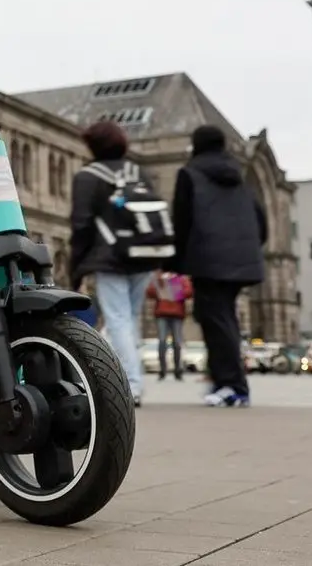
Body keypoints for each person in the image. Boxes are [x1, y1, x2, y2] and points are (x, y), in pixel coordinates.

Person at [170, 124, 267, 408]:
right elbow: (260, 220)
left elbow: (182, 221)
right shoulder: (239, 178)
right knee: (222, 318)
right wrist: (249, 247)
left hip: (208, 258)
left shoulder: (190, 174)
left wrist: (175, 261)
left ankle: (233, 386)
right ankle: (223, 379)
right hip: (240, 258)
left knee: (216, 320)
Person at [69, 119, 162, 407]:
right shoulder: (138, 173)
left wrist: (76, 267)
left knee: (118, 319)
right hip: (144, 255)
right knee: (127, 318)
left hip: (110, 258)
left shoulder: (88, 176)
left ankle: (131, 385)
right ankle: (115, 374)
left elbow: (82, 225)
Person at [146, 270, 192, 381]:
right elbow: (149, 292)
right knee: (162, 341)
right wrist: (159, 285)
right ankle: (163, 370)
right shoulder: (159, 278)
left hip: (177, 314)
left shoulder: (181, 278)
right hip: (162, 313)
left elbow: (189, 292)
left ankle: (178, 370)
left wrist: (175, 290)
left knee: (177, 342)